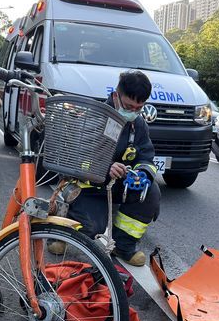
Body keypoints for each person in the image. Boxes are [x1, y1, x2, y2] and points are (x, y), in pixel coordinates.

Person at [49, 70, 160, 267]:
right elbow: (77, 157)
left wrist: (143, 174)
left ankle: (123, 246)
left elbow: (146, 155)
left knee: (150, 192)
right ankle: (60, 229)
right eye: (129, 106)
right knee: (92, 226)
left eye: (139, 108)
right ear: (116, 96)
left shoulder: (138, 124)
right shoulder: (93, 117)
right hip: (88, 186)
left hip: (118, 185)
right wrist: (106, 167)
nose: (133, 112)